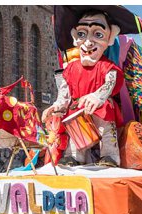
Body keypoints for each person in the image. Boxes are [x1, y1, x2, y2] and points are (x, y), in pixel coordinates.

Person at [42, 9, 123, 166]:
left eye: (98, 34)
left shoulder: (107, 67)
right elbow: (64, 94)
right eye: (82, 34)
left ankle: (110, 156)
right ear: (75, 37)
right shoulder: (70, 69)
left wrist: (97, 97)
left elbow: (110, 83)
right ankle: (75, 156)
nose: (88, 42)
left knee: (106, 129)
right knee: (73, 131)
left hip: (100, 109)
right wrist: (56, 106)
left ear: (110, 38)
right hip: (77, 109)